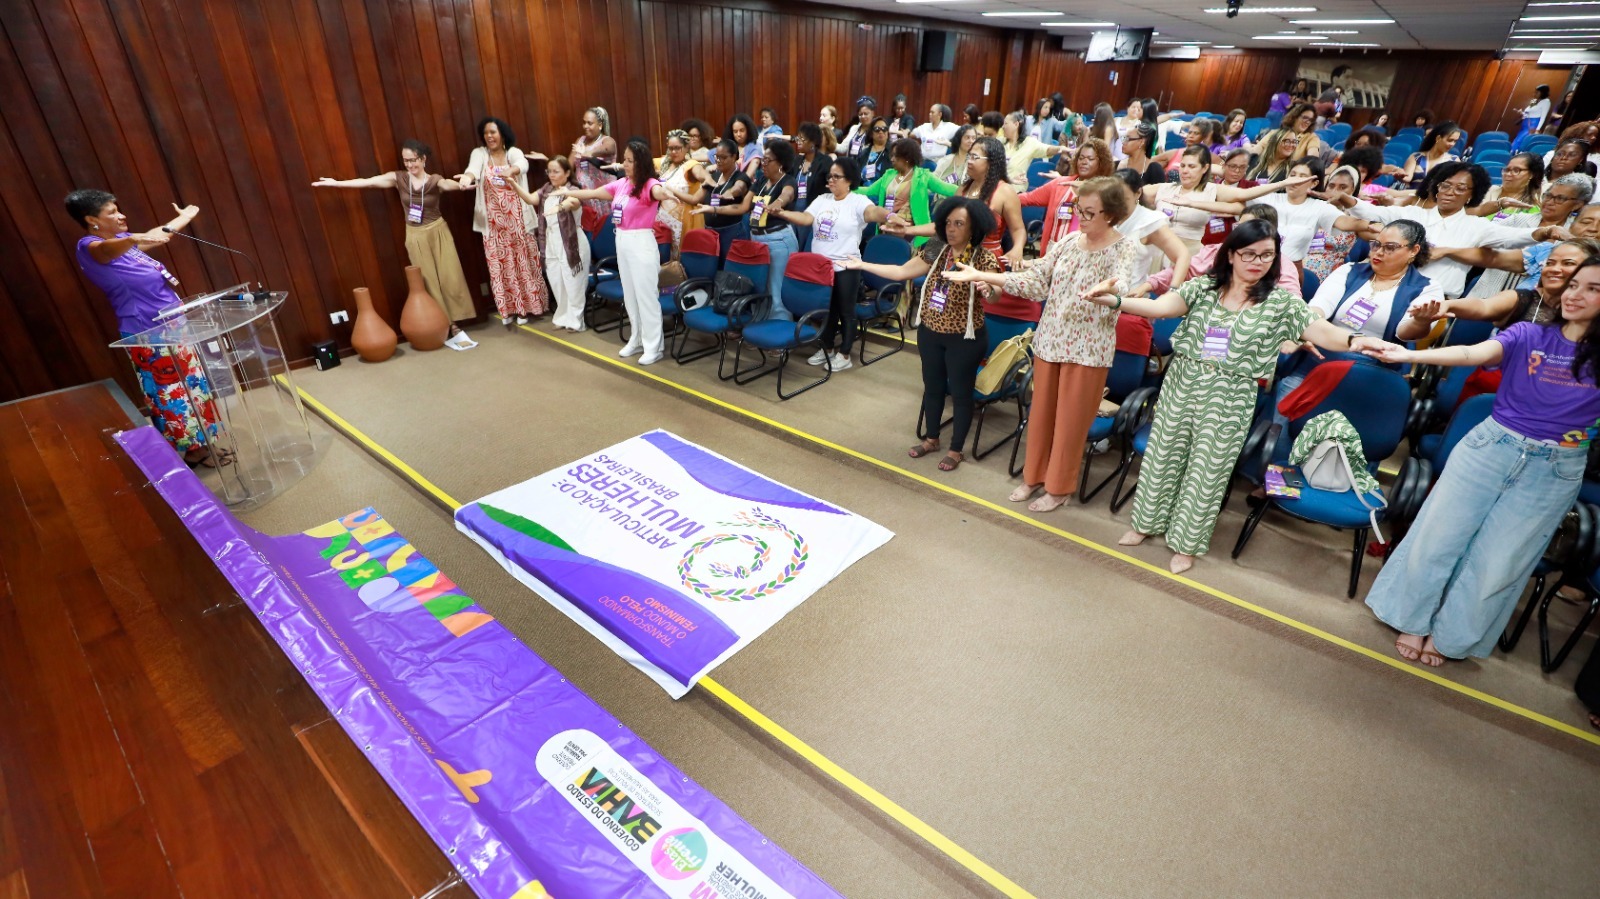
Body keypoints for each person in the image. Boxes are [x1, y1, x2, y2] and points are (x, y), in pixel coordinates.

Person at [1082, 220, 1376, 573]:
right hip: (1183, 381)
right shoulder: (1205, 287)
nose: (1258, 262)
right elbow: (1163, 307)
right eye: (1249, 254)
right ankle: (1145, 524)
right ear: (1232, 255)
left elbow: (1322, 332)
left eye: (1267, 255)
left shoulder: (1281, 303)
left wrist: (1355, 341)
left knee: (1208, 470)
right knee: (1162, 456)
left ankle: (1186, 544)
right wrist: (1117, 301)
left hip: (1232, 393)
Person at [1359, 256, 1600, 666]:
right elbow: (1472, 353)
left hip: (1555, 467)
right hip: (1493, 446)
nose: (1575, 294)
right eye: (1574, 284)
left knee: (1501, 560)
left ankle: (1452, 635)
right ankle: (1410, 618)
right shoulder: (1530, 333)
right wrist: (1407, 356)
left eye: (1593, 289)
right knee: (1439, 536)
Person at [944, 177, 1144, 511]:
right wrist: (984, 275)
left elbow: (1121, 282)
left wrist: (1112, 290)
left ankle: (1059, 488)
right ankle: (1033, 477)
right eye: (1079, 208)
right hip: (1050, 341)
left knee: (1070, 424)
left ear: (1110, 214)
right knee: (1040, 417)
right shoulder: (1069, 241)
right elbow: (1035, 283)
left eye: (1090, 212)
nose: (1081, 216)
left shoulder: (1123, 246)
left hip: (1088, 351)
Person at [845, 197, 1003, 472]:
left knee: (961, 393)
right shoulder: (936, 250)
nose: (951, 229)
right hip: (930, 332)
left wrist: (988, 289)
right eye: (947, 223)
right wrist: (863, 265)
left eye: (959, 224)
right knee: (932, 387)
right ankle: (932, 439)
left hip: (964, 339)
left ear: (973, 227)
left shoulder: (983, 258)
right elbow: (901, 272)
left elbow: (996, 293)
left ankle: (956, 450)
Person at [67, 190, 222, 465]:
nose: (121, 215)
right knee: (171, 393)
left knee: (192, 386)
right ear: (92, 220)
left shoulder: (126, 244)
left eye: (118, 209)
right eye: (112, 212)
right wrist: (134, 238)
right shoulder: (89, 247)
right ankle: (193, 451)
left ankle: (204, 442)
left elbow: (157, 234)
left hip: (173, 324)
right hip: (148, 331)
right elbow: (105, 250)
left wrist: (184, 218)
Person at [312, 138, 477, 349]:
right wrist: (336, 183)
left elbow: (447, 184)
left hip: (438, 231)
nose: (409, 164)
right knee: (428, 281)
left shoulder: (434, 180)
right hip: (415, 235)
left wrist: (462, 184)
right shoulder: (398, 178)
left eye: (413, 160)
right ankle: (448, 325)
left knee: (450, 275)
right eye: (406, 160)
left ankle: (458, 318)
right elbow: (368, 182)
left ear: (423, 159)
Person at [561, 139, 695, 364]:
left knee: (646, 297)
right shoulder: (622, 184)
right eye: (625, 160)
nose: (625, 164)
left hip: (641, 243)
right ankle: (637, 338)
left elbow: (658, 191)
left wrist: (667, 193)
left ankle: (654, 346)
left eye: (630, 161)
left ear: (641, 163)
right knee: (630, 296)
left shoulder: (649, 184)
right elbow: (594, 193)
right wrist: (567, 192)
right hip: (622, 241)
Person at [1345, 162, 1546, 297]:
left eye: (1460, 188)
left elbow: (1514, 237)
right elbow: (1372, 211)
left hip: (1437, 300)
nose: (1450, 192)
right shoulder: (1414, 214)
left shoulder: (1476, 226)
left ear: (1471, 195)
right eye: (1446, 186)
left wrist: (1545, 232)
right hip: (1392, 290)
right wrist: (1343, 198)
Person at [772, 157, 891, 371]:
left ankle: (844, 354)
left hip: (846, 267)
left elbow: (874, 213)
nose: (831, 180)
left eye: (837, 177)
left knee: (846, 311)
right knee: (826, 310)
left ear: (849, 180)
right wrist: (782, 213)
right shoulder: (822, 199)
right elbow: (806, 218)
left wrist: (889, 215)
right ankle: (826, 348)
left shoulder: (858, 201)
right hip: (821, 268)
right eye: (830, 176)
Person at [1398, 239, 1600, 347]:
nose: (1555, 269)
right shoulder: (1525, 298)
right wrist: (1448, 305)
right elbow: (1483, 306)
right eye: (1550, 263)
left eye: (1568, 263)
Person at [1170, 158, 1371, 266]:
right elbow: (1233, 204)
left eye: (1302, 176)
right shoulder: (1269, 198)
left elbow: (1346, 223)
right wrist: (1192, 203)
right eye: (1293, 174)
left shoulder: (1319, 207)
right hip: (1255, 263)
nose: (1295, 180)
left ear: (1314, 183)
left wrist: (1370, 223)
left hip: (1289, 269)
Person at [696, 139, 800, 322]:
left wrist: (778, 203)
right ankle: (761, 325)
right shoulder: (761, 181)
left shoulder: (787, 181)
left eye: (767, 160)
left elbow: (787, 194)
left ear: (781, 163)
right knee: (760, 286)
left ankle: (780, 328)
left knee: (776, 288)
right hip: (757, 238)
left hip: (778, 240)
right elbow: (742, 207)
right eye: (763, 160)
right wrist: (713, 209)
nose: (763, 164)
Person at [456, 116, 547, 326]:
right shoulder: (480, 154)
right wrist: (467, 178)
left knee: (523, 264)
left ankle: (527, 309)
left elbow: (522, 164)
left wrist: (511, 170)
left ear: (502, 134)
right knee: (501, 267)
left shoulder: (513, 152)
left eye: (493, 132)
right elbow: (472, 168)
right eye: (486, 133)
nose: (489, 136)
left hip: (518, 220)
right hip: (493, 225)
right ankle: (509, 310)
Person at [500, 156, 591, 331]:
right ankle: (563, 317)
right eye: (549, 171)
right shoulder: (547, 189)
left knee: (573, 284)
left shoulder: (573, 190)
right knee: (557, 282)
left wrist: (560, 206)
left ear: (567, 173)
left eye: (556, 171)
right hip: (551, 242)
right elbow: (530, 199)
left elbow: (573, 202)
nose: (552, 175)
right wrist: (513, 183)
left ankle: (576, 321)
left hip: (572, 243)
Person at [1136, 204, 1301, 299]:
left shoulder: (1283, 265)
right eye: (1240, 226)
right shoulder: (1216, 251)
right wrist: (1150, 284)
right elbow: (1186, 270)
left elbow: (1293, 302)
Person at [856, 138, 957, 248]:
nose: (892, 159)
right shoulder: (889, 174)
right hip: (885, 227)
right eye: (891, 155)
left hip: (910, 233)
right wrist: (848, 188)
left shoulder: (923, 176)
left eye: (895, 156)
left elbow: (946, 188)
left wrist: (969, 191)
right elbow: (869, 190)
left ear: (907, 158)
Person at [1021, 138, 1115, 252]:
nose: (1084, 162)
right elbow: (1028, 198)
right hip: (1052, 251)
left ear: (1101, 163)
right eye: (1081, 158)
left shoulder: (1105, 191)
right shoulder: (1060, 184)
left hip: (1083, 254)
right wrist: (1004, 191)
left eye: (1090, 159)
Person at [1112, 168, 1192, 283]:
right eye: (1112, 196)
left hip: (1132, 291)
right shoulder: (1104, 215)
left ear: (1138, 193)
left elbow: (1182, 255)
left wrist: (1173, 289)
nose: (1116, 202)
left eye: (1122, 197)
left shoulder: (1149, 221)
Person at [1302, 165, 1366, 281]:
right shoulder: (1313, 209)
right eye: (1331, 186)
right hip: (1297, 264)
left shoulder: (1356, 219)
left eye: (1343, 187)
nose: (1335, 191)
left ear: (1353, 190)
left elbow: (1378, 233)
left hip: (1328, 275)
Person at [694, 139, 753, 261]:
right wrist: (672, 190)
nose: (718, 160)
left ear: (734, 157)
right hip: (710, 231)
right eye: (717, 157)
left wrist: (730, 192)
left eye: (723, 157)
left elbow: (739, 187)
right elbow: (695, 198)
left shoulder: (741, 177)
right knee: (711, 266)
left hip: (731, 231)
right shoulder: (714, 176)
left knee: (729, 267)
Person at [654, 129, 704, 250]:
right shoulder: (664, 163)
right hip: (663, 220)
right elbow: (642, 163)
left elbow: (705, 178)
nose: (673, 152)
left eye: (677, 148)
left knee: (682, 256)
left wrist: (696, 198)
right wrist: (618, 166)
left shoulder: (692, 165)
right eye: (670, 148)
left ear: (686, 147)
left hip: (683, 220)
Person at [571, 107, 618, 225]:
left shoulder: (607, 141)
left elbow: (608, 149)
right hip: (584, 196)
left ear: (600, 125)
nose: (585, 126)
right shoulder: (580, 141)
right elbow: (568, 165)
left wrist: (588, 153)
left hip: (602, 198)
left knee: (604, 229)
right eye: (584, 122)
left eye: (590, 123)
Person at [1000, 110, 1069, 190]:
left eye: (1006, 123)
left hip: (1016, 190)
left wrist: (1061, 148)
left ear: (1016, 124)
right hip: (998, 189)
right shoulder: (999, 142)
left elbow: (1047, 149)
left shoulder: (1029, 143)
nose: (1003, 127)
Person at [1202, 149, 1258, 247]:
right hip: (1210, 243)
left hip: (1241, 243)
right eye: (1233, 166)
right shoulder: (1211, 188)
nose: (1237, 171)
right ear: (1224, 166)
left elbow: (1255, 215)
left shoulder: (1253, 187)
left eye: (1242, 167)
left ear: (1247, 168)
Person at [791, 122, 834, 249]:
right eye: (798, 138)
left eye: (802, 139)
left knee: (806, 250)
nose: (798, 142)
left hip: (812, 215)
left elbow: (829, 188)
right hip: (794, 213)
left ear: (813, 142)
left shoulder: (825, 162)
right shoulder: (797, 160)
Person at [1402, 121, 1463, 190]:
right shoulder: (1416, 157)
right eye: (1450, 140)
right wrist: (1399, 175)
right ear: (1438, 138)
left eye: (1455, 141)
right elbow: (1407, 178)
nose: (1452, 144)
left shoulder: (1454, 161)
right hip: (1410, 194)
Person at [1120, 122, 1166, 186]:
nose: (1123, 142)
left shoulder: (1154, 169)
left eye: (1127, 139)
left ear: (1141, 142)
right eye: (1124, 138)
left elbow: (1159, 191)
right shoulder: (1117, 165)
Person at [1513, 84, 1553, 151]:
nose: (1535, 94)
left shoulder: (1546, 102)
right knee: (1519, 139)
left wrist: (1537, 129)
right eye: (1535, 92)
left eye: (1537, 92)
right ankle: (1515, 152)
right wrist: (1521, 112)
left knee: (1519, 140)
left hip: (1533, 124)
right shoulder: (1534, 100)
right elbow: (1528, 113)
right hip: (1526, 122)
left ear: (1543, 93)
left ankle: (1513, 152)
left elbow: (1543, 117)